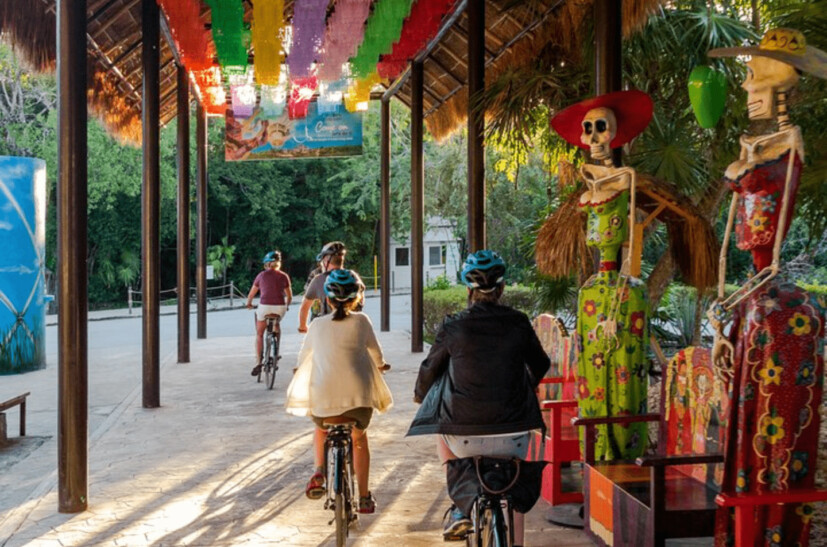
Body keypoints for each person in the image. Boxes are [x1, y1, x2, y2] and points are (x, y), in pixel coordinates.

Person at [407, 250, 550, 543]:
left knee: (440, 428)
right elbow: (541, 364)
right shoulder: (519, 322)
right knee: (515, 487)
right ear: (502, 288)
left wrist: (420, 396)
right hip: (515, 436)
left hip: (463, 440)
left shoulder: (453, 325)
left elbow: (429, 370)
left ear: (468, 290)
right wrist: (523, 383)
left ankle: (461, 507)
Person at [285, 269, 393, 514]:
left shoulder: (317, 324)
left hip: (324, 399)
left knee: (321, 428)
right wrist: (381, 366)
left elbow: (304, 358)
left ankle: (320, 471)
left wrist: (297, 369)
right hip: (359, 400)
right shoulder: (363, 321)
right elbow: (376, 355)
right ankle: (364, 497)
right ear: (356, 298)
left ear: (328, 299)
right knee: (359, 439)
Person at [246, 251, 292, 376]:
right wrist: (286, 306)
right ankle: (276, 353)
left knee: (260, 334)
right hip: (280, 308)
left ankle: (258, 362)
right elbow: (289, 296)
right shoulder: (284, 276)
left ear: (266, 264)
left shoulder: (261, 275)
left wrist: (249, 303)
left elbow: (251, 294)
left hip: (264, 307)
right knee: (277, 325)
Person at [298, 241, 347, 333]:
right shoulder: (354, 277)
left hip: (324, 323)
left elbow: (305, 305)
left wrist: (302, 326)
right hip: (349, 327)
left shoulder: (318, 278)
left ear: (325, 261)